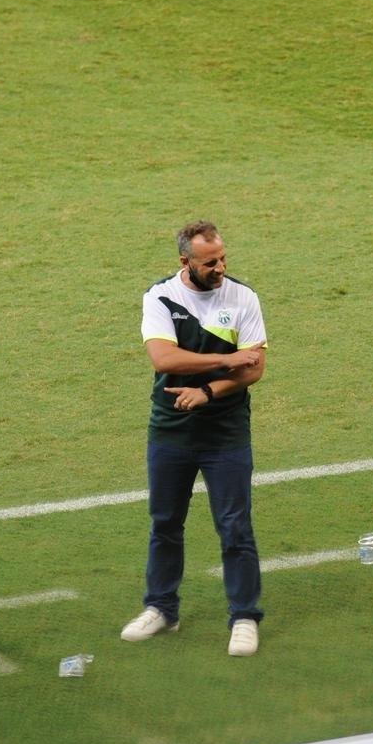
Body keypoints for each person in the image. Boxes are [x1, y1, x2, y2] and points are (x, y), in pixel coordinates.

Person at [121, 220, 268, 657]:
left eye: (223, 258)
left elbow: (255, 369)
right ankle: (162, 608)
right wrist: (226, 361)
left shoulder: (243, 297)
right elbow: (164, 357)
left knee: (235, 527)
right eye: (210, 262)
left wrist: (206, 390)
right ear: (186, 262)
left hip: (226, 433)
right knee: (165, 523)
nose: (220, 267)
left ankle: (244, 616)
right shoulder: (161, 296)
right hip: (171, 431)